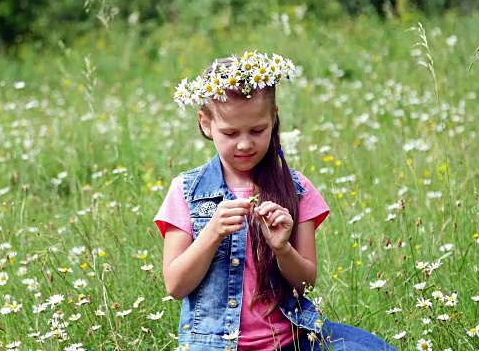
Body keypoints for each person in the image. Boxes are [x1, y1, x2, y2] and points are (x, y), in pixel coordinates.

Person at [154, 51, 396, 351]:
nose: (244, 143)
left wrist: (282, 248)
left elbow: (305, 284)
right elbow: (175, 286)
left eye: (258, 130)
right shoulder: (187, 191)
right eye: (229, 133)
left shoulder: (296, 189)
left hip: (293, 341)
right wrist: (212, 233)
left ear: (274, 118)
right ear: (205, 124)